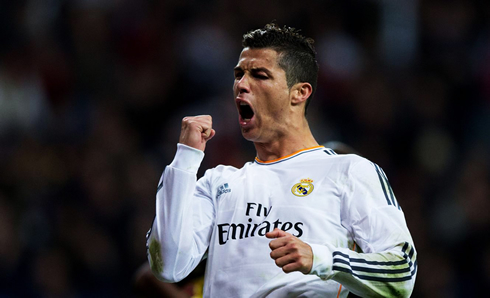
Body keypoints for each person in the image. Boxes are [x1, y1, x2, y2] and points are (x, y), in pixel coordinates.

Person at [146, 23, 417, 297]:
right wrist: (185, 158)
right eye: (239, 74)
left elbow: (401, 273)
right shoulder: (218, 183)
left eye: (259, 75)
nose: (241, 84)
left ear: (299, 93)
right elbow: (167, 265)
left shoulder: (349, 171)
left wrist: (320, 258)